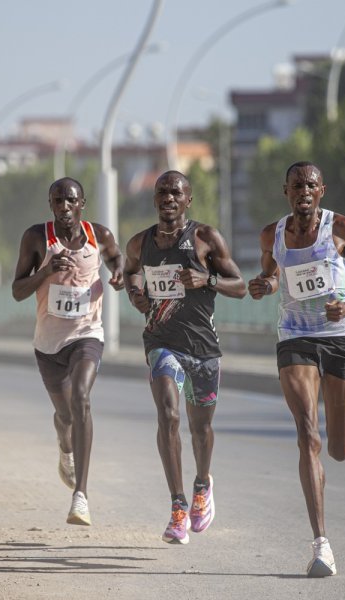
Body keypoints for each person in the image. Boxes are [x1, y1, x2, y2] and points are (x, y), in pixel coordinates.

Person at [248, 161, 345, 577]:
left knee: (338, 449)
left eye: (310, 185)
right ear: (286, 191)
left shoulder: (341, 228)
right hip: (295, 336)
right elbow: (273, 276)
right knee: (308, 434)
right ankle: (321, 545)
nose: (303, 191)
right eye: (296, 186)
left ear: (321, 191)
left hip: (343, 336)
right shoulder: (272, 235)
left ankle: (329, 460)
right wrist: (264, 285)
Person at [123, 170, 247, 545]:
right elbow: (130, 271)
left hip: (203, 350)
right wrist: (135, 293)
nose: (169, 198)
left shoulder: (205, 238)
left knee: (200, 430)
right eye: (163, 192)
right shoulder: (140, 242)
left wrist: (208, 280)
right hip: (161, 342)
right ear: (155, 199)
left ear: (188, 200)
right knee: (168, 414)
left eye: (176, 192)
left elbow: (240, 286)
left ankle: (201, 485)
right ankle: (178, 508)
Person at [12, 177, 124, 526]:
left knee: (81, 399)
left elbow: (116, 259)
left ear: (82, 204)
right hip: (48, 344)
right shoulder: (36, 237)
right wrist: (47, 271)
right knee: (65, 417)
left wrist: (119, 274)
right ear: (50, 204)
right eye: (58, 201)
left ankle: (81, 496)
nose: (64, 207)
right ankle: (65, 447)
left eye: (71, 200)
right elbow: (17, 290)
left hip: (87, 334)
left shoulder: (99, 235)